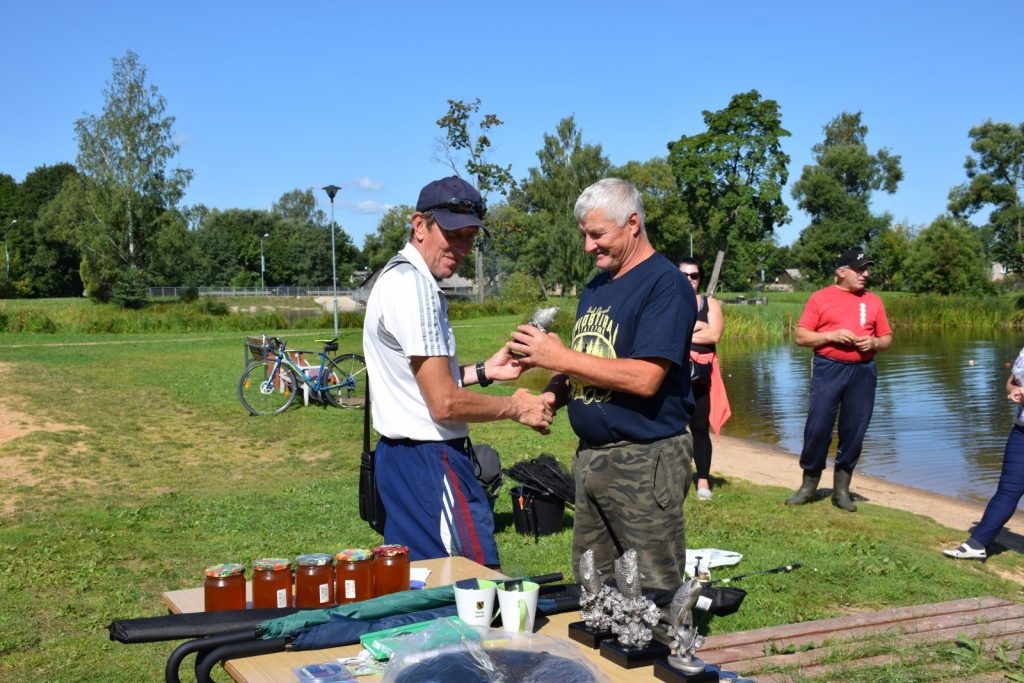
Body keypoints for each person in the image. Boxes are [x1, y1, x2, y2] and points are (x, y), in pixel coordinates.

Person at [510, 177, 696, 589]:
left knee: (652, 584)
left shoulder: (666, 285)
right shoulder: (596, 287)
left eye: (597, 235)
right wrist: (551, 395)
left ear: (632, 223)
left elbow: (647, 378)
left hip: (645, 459)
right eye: (584, 235)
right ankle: (601, 652)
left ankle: (663, 651)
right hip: (592, 458)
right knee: (593, 581)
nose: (588, 247)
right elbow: (586, 359)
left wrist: (557, 356)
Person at [362, 175, 554, 569]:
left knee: (420, 586)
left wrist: (485, 371)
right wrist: (516, 407)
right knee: (478, 585)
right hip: (430, 462)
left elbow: (420, 381)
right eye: (453, 234)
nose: (463, 247)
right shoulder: (414, 288)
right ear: (420, 225)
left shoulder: (398, 276)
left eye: (470, 236)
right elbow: (444, 403)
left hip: (400, 460)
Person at [785, 247, 892, 512]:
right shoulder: (820, 299)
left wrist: (875, 341)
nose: (865, 274)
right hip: (828, 368)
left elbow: (888, 339)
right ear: (841, 271)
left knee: (854, 429)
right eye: (859, 269)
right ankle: (808, 485)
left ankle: (841, 490)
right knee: (818, 427)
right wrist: (831, 336)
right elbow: (802, 337)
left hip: (863, 372)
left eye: (866, 269)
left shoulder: (874, 301)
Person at [944, 347, 1024, 560]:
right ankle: (977, 544)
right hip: (1022, 431)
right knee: (1008, 489)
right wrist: (1014, 391)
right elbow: (1013, 380)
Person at [679, 257, 730, 501]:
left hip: (701, 376)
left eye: (694, 275)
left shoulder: (710, 305)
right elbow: (665, 336)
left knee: (699, 428)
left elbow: (715, 335)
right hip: (673, 375)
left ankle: (703, 481)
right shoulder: (669, 303)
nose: (689, 279)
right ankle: (674, 475)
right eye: (684, 275)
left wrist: (684, 333)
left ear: (700, 278)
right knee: (672, 428)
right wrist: (697, 327)